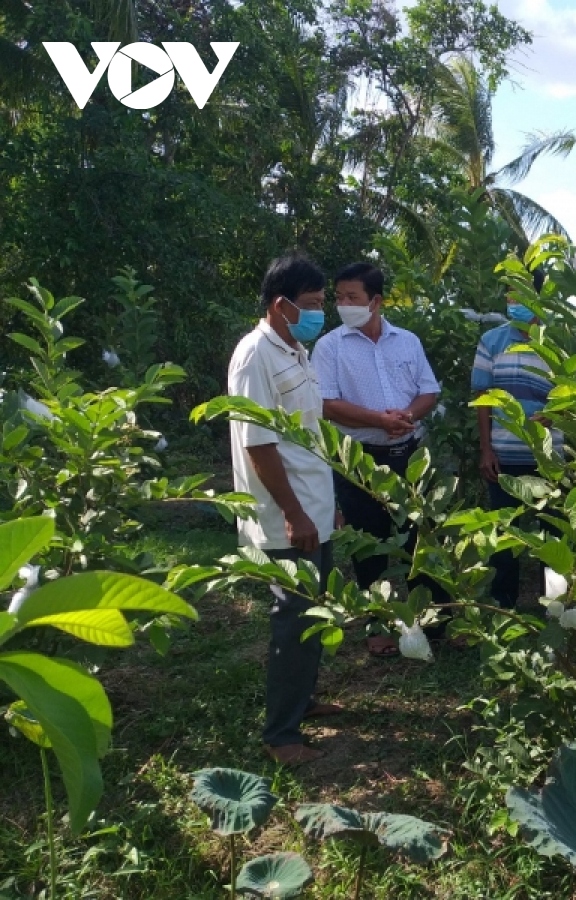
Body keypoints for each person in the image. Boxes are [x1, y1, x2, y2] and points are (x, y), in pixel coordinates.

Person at [227, 252, 340, 766]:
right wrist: (295, 513)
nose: (321, 315)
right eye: (314, 305)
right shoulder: (256, 356)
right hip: (285, 516)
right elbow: (260, 446)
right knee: (293, 621)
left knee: (313, 614)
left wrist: (327, 505)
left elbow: (309, 437)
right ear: (281, 304)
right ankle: (281, 735)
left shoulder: (295, 351)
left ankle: (301, 702)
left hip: (314, 507)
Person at [311, 262, 449, 657]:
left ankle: (438, 617)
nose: (343, 305)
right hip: (361, 458)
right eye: (339, 297)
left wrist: (408, 417)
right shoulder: (330, 346)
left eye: (351, 297)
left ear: (376, 301)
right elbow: (328, 404)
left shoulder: (407, 341)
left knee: (424, 535)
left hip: (411, 453)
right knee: (369, 542)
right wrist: (378, 420)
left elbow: (428, 390)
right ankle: (381, 624)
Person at [471, 269, 562, 609]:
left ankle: (555, 607)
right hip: (504, 456)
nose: (511, 300)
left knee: (553, 535)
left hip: (551, 458)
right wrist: (486, 448)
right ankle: (503, 605)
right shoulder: (492, 340)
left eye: (518, 292)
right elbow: (483, 395)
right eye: (508, 293)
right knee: (505, 535)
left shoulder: (559, 340)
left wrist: (556, 414)